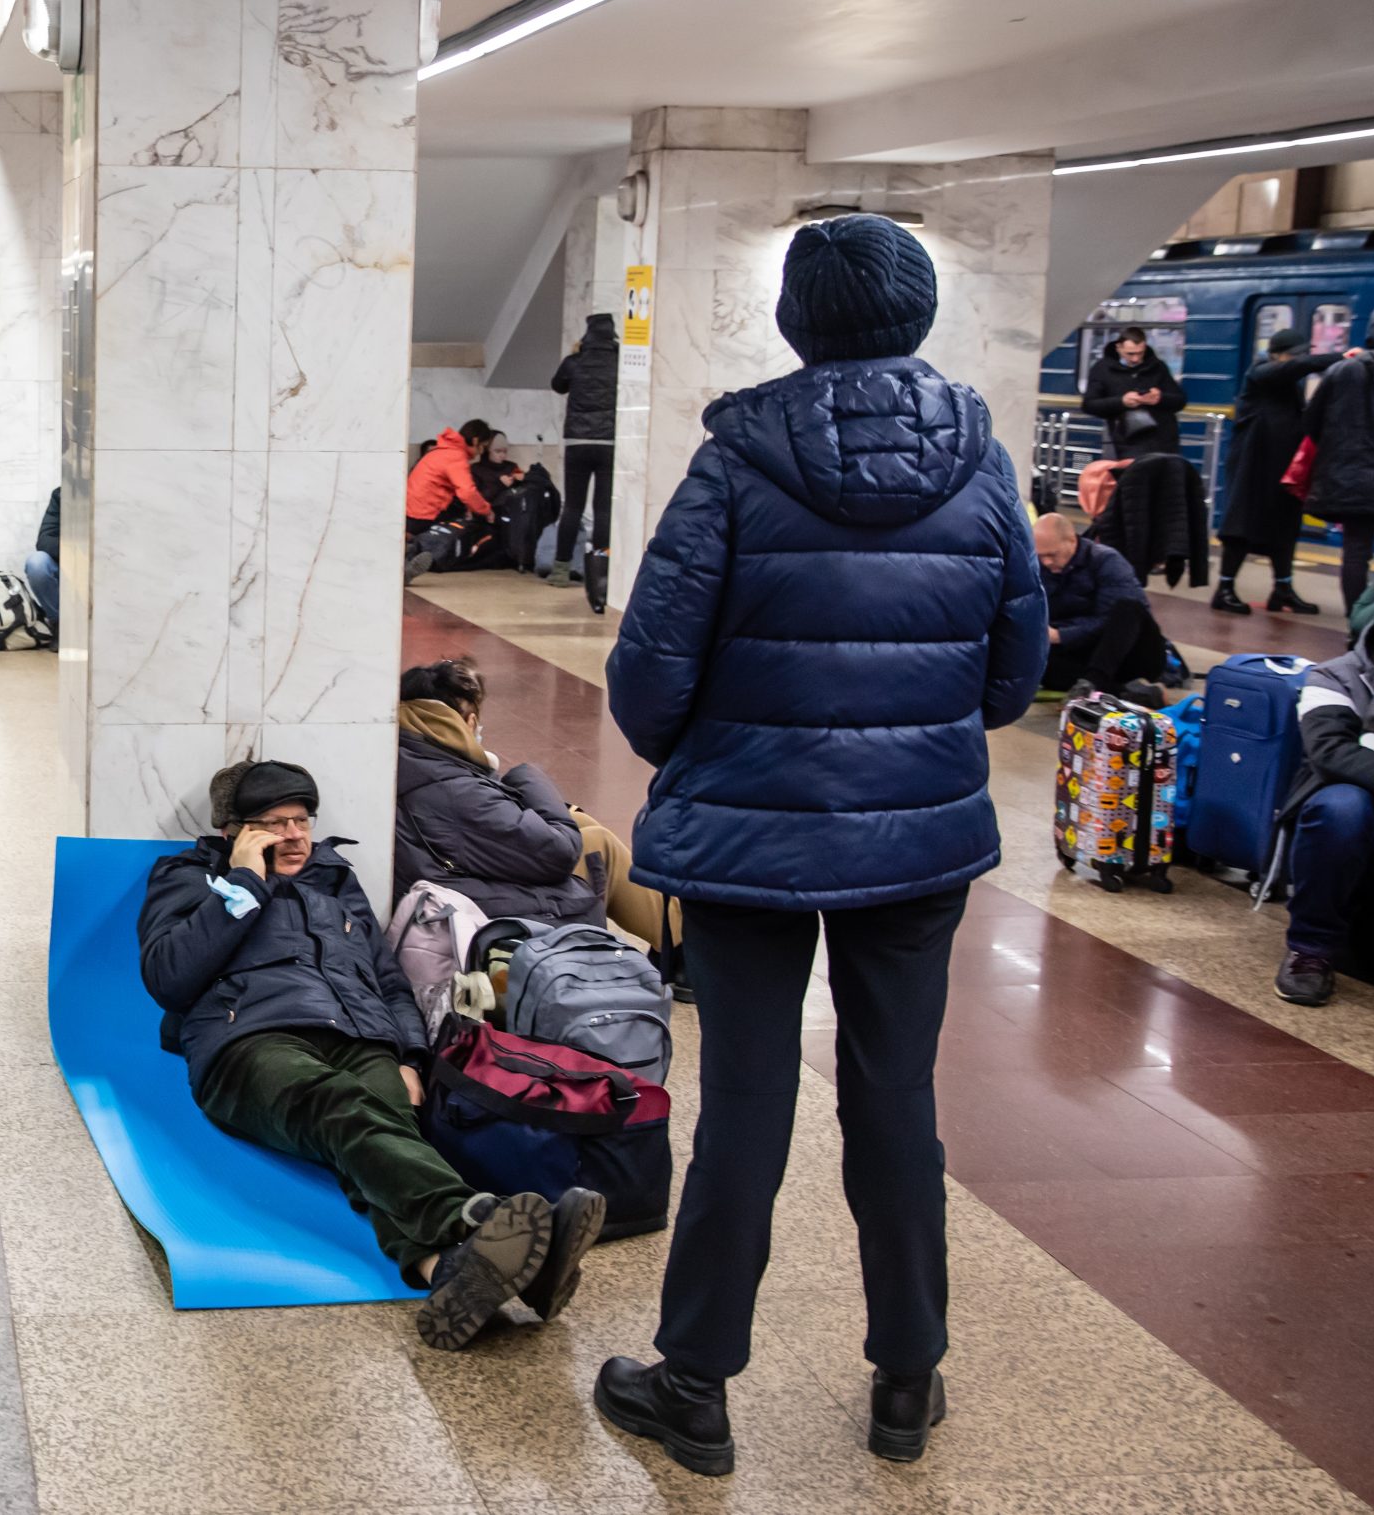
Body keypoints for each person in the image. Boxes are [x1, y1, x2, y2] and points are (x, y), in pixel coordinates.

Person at [595, 215, 1047, 1476]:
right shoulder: (980, 460)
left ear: (794, 321)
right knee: (895, 1097)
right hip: (918, 840)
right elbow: (1014, 674)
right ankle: (907, 1379)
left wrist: (718, 751)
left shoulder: (734, 462)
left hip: (747, 837)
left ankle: (694, 1387)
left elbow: (649, 677)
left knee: (746, 1099)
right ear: (916, 316)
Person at [138, 759, 605, 1348]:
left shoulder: (335, 877)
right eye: (274, 823)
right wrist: (244, 885)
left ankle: (452, 1269)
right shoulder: (189, 877)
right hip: (248, 1040)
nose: (294, 836)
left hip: (360, 1036)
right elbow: (169, 977)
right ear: (235, 830)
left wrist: (411, 1055)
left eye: (302, 820)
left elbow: (387, 980)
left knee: (384, 1127)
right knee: (341, 1107)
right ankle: (474, 1218)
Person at [1272, 572, 1374, 1031]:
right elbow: (1333, 753)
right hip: (1352, 829)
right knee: (1344, 805)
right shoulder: (1335, 676)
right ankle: (1310, 951)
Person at [395, 657, 608, 927]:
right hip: (486, 910)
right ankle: (674, 941)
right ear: (469, 723)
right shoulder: (454, 788)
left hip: (463, 885)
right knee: (598, 844)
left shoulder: (414, 759)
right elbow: (559, 852)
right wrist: (528, 775)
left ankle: (673, 937)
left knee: (582, 825)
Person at [1215, 328, 1339, 614]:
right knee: (1241, 526)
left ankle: (1282, 590)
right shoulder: (1259, 373)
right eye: (1294, 354)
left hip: (1281, 468)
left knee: (1285, 526)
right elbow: (1296, 367)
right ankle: (1224, 589)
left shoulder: (1290, 386)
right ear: (1276, 354)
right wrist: (1340, 357)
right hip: (1253, 467)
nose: (1299, 359)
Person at [1303, 303, 1374, 613]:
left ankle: (1356, 621)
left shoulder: (1342, 369)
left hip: (1348, 476)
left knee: (1355, 552)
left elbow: (1311, 422)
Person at [1032, 513, 1169, 705]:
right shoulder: (1038, 568)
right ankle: (1128, 694)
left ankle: (1092, 684)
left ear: (1072, 541)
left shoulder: (1107, 561)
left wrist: (1061, 635)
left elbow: (1111, 623)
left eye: (1051, 555)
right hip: (1083, 654)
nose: (1046, 562)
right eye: (1040, 556)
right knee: (1033, 660)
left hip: (1129, 652)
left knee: (1128, 608)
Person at [550, 314, 619, 608]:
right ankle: (601, 571)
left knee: (574, 506)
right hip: (609, 442)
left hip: (578, 443)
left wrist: (574, 356)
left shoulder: (574, 361)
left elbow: (557, 386)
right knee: (603, 508)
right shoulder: (621, 363)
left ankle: (561, 570)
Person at [1079, 326, 1186, 459]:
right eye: (1130, 354)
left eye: (1140, 353)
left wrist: (1160, 398)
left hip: (1164, 440)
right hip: (1128, 440)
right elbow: (1089, 405)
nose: (1135, 358)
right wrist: (1122, 402)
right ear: (1119, 347)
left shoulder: (1157, 366)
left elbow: (1180, 401)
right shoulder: (1103, 369)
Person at [24, 488, 60, 637]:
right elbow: (44, 540)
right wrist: (76, 552)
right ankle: (59, 624)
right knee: (37, 564)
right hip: (67, 563)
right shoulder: (62, 494)